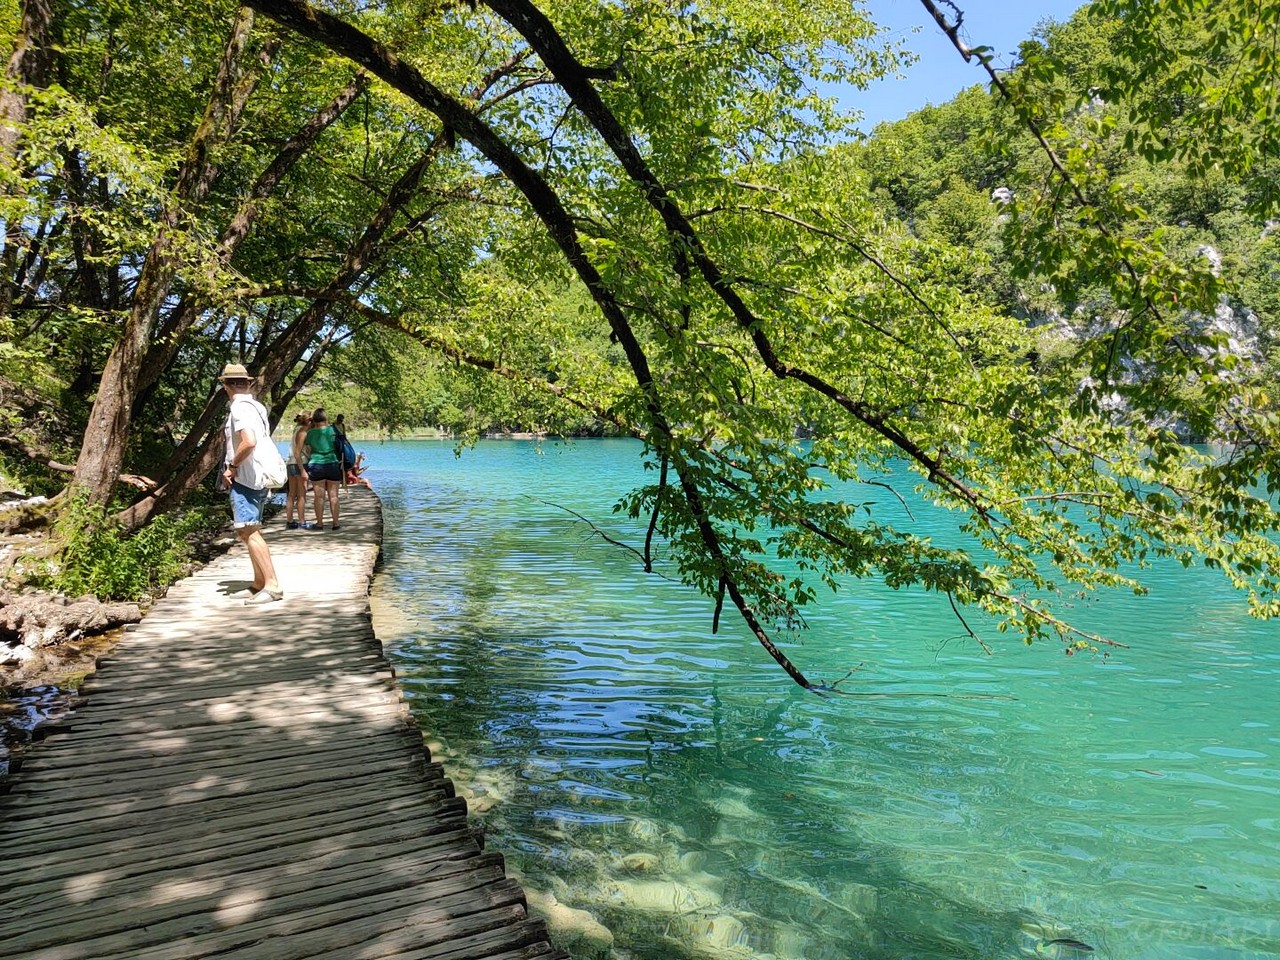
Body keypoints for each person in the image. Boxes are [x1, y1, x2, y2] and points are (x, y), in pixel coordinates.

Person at [219, 363, 284, 604]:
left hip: (246, 477)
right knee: (247, 529)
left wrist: (232, 467)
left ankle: (272, 585)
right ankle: (259, 583)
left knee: (249, 530)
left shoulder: (239, 409)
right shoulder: (256, 407)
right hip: (257, 476)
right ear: (248, 384)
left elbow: (249, 442)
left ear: (226, 386)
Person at [304, 407, 342, 529]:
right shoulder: (332, 431)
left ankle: (319, 523)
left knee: (319, 496)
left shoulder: (310, 433)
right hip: (332, 463)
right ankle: (336, 523)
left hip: (316, 464)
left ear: (314, 419)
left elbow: (307, 450)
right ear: (326, 418)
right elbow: (339, 447)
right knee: (334, 496)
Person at [285, 411, 310, 529]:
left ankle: (289, 520)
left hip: (290, 463)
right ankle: (302, 521)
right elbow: (297, 452)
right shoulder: (303, 432)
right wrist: (303, 470)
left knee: (291, 494)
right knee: (301, 495)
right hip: (300, 463)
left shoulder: (296, 429)